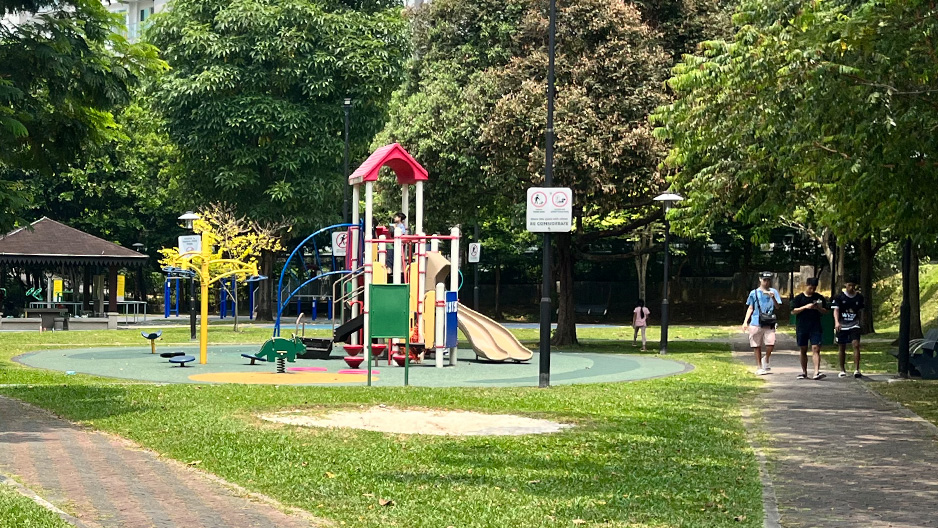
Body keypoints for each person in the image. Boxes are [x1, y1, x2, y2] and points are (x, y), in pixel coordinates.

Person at [743, 272, 783, 375]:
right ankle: (759, 366)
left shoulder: (773, 291)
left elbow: (778, 307)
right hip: (756, 321)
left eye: (768, 280)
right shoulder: (754, 293)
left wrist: (773, 297)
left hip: (769, 321)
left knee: (771, 343)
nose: (766, 282)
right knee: (756, 345)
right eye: (764, 280)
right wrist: (745, 322)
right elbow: (750, 307)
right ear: (760, 280)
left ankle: (766, 358)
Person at [791, 277, 828, 380]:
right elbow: (793, 311)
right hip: (802, 326)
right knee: (803, 349)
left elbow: (826, 311)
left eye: (814, 288)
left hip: (815, 326)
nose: (812, 290)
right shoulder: (799, 298)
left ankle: (816, 372)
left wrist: (818, 308)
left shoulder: (819, 297)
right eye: (811, 288)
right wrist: (805, 307)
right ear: (806, 285)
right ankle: (804, 371)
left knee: (816, 348)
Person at [831, 277, 865, 378]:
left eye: (853, 286)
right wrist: (837, 322)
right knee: (842, 347)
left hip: (854, 324)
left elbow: (861, 311)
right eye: (849, 285)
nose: (851, 288)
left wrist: (861, 322)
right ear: (845, 285)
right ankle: (842, 369)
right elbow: (836, 310)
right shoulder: (839, 297)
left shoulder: (859, 297)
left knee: (856, 344)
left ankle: (857, 369)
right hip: (842, 324)